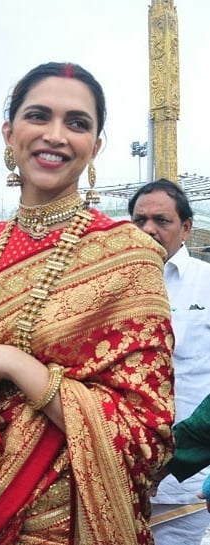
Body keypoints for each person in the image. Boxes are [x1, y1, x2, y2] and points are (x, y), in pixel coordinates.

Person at [0, 62, 175, 545]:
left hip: (77, 524)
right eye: (39, 116)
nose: (56, 135)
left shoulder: (128, 255)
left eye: (77, 123)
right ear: (10, 131)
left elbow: (147, 432)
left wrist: (18, 365)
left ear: (97, 145)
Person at [129, 178, 210, 544]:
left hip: (185, 479)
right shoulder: (114, 288)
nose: (148, 229)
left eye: (162, 220)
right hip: (121, 470)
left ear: (186, 227)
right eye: (140, 220)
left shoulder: (205, 283)